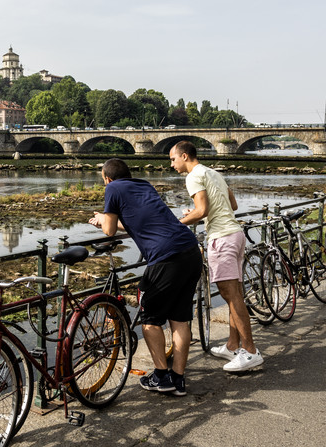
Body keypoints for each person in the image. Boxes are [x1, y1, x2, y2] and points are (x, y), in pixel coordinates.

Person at [89, 158, 202, 396]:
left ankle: (161, 376)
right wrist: (111, 220)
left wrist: (101, 220)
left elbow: (109, 231)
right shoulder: (144, 185)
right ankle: (178, 379)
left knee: (150, 319)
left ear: (107, 178)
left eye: (104, 180)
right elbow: (135, 223)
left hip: (165, 257)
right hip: (190, 251)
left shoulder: (112, 188)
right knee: (180, 319)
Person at [169, 141, 264, 372]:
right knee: (235, 294)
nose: (171, 164)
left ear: (184, 156)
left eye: (173, 159)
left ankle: (250, 351)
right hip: (236, 234)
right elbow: (232, 204)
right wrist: (198, 213)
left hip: (221, 238)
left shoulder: (192, 176)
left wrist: (175, 225)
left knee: (231, 296)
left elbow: (202, 211)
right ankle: (233, 346)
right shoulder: (213, 173)